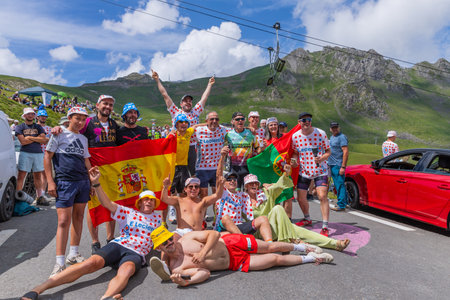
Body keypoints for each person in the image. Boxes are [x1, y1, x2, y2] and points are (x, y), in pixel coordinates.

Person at [21, 167, 162, 300]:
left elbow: (165, 242)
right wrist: (96, 184)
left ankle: (106, 297)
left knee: (127, 271)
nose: (148, 202)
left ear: (155, 204)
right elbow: (107, 203)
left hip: (135, 253)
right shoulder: (130, 212)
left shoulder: (158, 220)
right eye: (145, 199)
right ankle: (38, 289)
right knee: (90, 263)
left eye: (151, 200)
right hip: (119, 245)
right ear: (140, 203)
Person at [149, 226, 333, 286]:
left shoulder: (187, 239)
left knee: (270, 247)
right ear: (159, 249)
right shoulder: (177, 268)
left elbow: (213, 234)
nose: (169, 243)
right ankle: (311, 258)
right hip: (234, 262)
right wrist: (188, 281)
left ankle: (302, 247)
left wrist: (203, 252)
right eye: (164, 243)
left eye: (169, 239)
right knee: (275, 259)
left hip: (230, 242)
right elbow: (204, 272)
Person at [242, 168, 350, 251]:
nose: (254, 185)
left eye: (256, 183)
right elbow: (228, 198)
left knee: (304, 232)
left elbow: (280, 185)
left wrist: (286, 173)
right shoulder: (241, 200)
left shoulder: (266, 193)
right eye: (250, 183)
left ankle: (335, 244)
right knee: (279, 210)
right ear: (245, 187)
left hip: (276, 227)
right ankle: (291, 239)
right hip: (259, 233)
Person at [44, 107, 92, 277]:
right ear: (69, 118)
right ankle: (59, 262)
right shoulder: (59, 134)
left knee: (78, 217)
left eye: (83, 119)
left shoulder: (84, 139)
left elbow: (86, 161)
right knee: (63, 221)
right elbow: (48, 157)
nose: (80, 122)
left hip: (83, 182)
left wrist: (91, 182)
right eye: (77, 118)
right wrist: (50, 181)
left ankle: (73, 253)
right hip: (64, 182)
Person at [152, 70, 215, 176]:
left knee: (194, 173)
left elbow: (204, 98)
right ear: (181, 104)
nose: (188, 102)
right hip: (177, 145)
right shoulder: (175, 112)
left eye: (190, 101)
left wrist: (209, 84)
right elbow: (165, 95)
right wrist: (157, 80)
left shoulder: (196, 111)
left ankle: (194, 190)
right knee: (177, 174)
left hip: (192, 146)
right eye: (185, 101)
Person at [214, 149, 273, 242]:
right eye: (229, 179)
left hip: (239, 225)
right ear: (224, 183)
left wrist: (264, 185)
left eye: (234, 179)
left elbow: (253, 188)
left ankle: (270, 244)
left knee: (263, 219)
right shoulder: (222, 192)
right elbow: (218, 175)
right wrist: (222, 157)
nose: (232, 181)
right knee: (226, 218)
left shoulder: (242, 195)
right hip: (224, 226)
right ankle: (244, 242)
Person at [291, 112, 332, 237]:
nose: (306, 122)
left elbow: (328, 151)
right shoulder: (295, 137)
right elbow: (295, 152)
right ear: (299, 123)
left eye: (308, 120)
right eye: (303, 120)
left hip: (320, 170)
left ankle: (325, 226)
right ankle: (307, 218)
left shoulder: (321, 133)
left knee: (322, 195)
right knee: (301, 198)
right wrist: (294, 161)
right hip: (304, 171)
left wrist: (321, 158)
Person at [15, 107, 50, 205]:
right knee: (21, 175)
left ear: (34, 116)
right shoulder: (20, 127)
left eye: (32, 114)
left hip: (38, 153)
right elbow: (23, 142)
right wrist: (36, 138)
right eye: (28, 114)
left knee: (38, 176)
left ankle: (39, 197)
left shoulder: (38, 127)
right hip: (25, 153)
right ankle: (18, 196)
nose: (30, 115)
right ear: (24, 116)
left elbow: (45, 140)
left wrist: (29, 137)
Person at [165, 114, 195, 225]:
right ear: (176, 124)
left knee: (183, 191)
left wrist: (209, 123)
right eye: (181, 122)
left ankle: (182, 211)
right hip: (173, 166)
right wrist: (169, 134)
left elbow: (196, 126)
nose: (183, 124)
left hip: (184, 166)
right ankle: (172, 210)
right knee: (173, 191)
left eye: (185, 122)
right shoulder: (172, 135)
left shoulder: (188, 133)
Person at [194, 111, 230, 198]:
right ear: (206, 120)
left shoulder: (223, 130)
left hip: (217, 168)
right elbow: (189, 128)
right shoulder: (198, 130)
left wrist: (250, 128)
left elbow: (237, 129)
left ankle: (217, 212)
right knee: (203, 194)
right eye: (211, 119)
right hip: (202, 167)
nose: (214, 121)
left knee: (217, 195)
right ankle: (203, 212)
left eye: (216, 119)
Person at [225, 112, 260, 189]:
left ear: (245, 120)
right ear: (232, 121)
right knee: (235, 191)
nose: (240, 121)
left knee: (247, 192)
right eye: (237, 119)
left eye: (242, 119)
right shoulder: (228, 134)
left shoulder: (251, 133)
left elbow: (257, 148)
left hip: (247, 167)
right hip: (234, 168)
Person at [328, 122, 349, 211]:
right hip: (332, 164)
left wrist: (343, 166)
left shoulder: (342, 137)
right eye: (333, 128)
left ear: (339, 128)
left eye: (336, 127)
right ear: (330, 129)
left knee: (339, 184)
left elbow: (345, 151)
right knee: (338, 184)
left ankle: (341, 205)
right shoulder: (332, 137)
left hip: (338, 164)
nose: (335, 129)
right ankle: (346, 202)